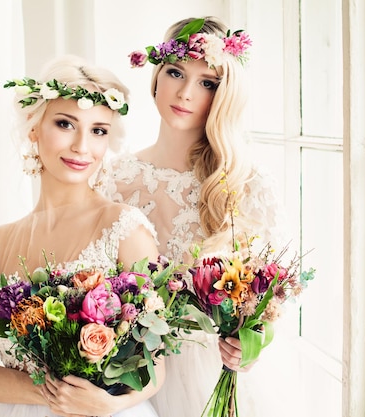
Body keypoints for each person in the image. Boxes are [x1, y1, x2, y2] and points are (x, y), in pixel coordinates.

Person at [0, 54, 165, 417]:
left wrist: (110, 402)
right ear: (34, 127)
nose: (82, 146)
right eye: (65, 124)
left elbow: (157, 360)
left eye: (98, 131)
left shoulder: (124, 227)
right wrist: (48, 393)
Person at [99, 17, 287, 417]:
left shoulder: (246, 184)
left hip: (211, 376)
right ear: (156, 76)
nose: (185, 92)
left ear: (224, 94)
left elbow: (268, 300)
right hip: (132, 376)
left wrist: (250, 345)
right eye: (176, 72)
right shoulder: (113, 178)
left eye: (207, 83)